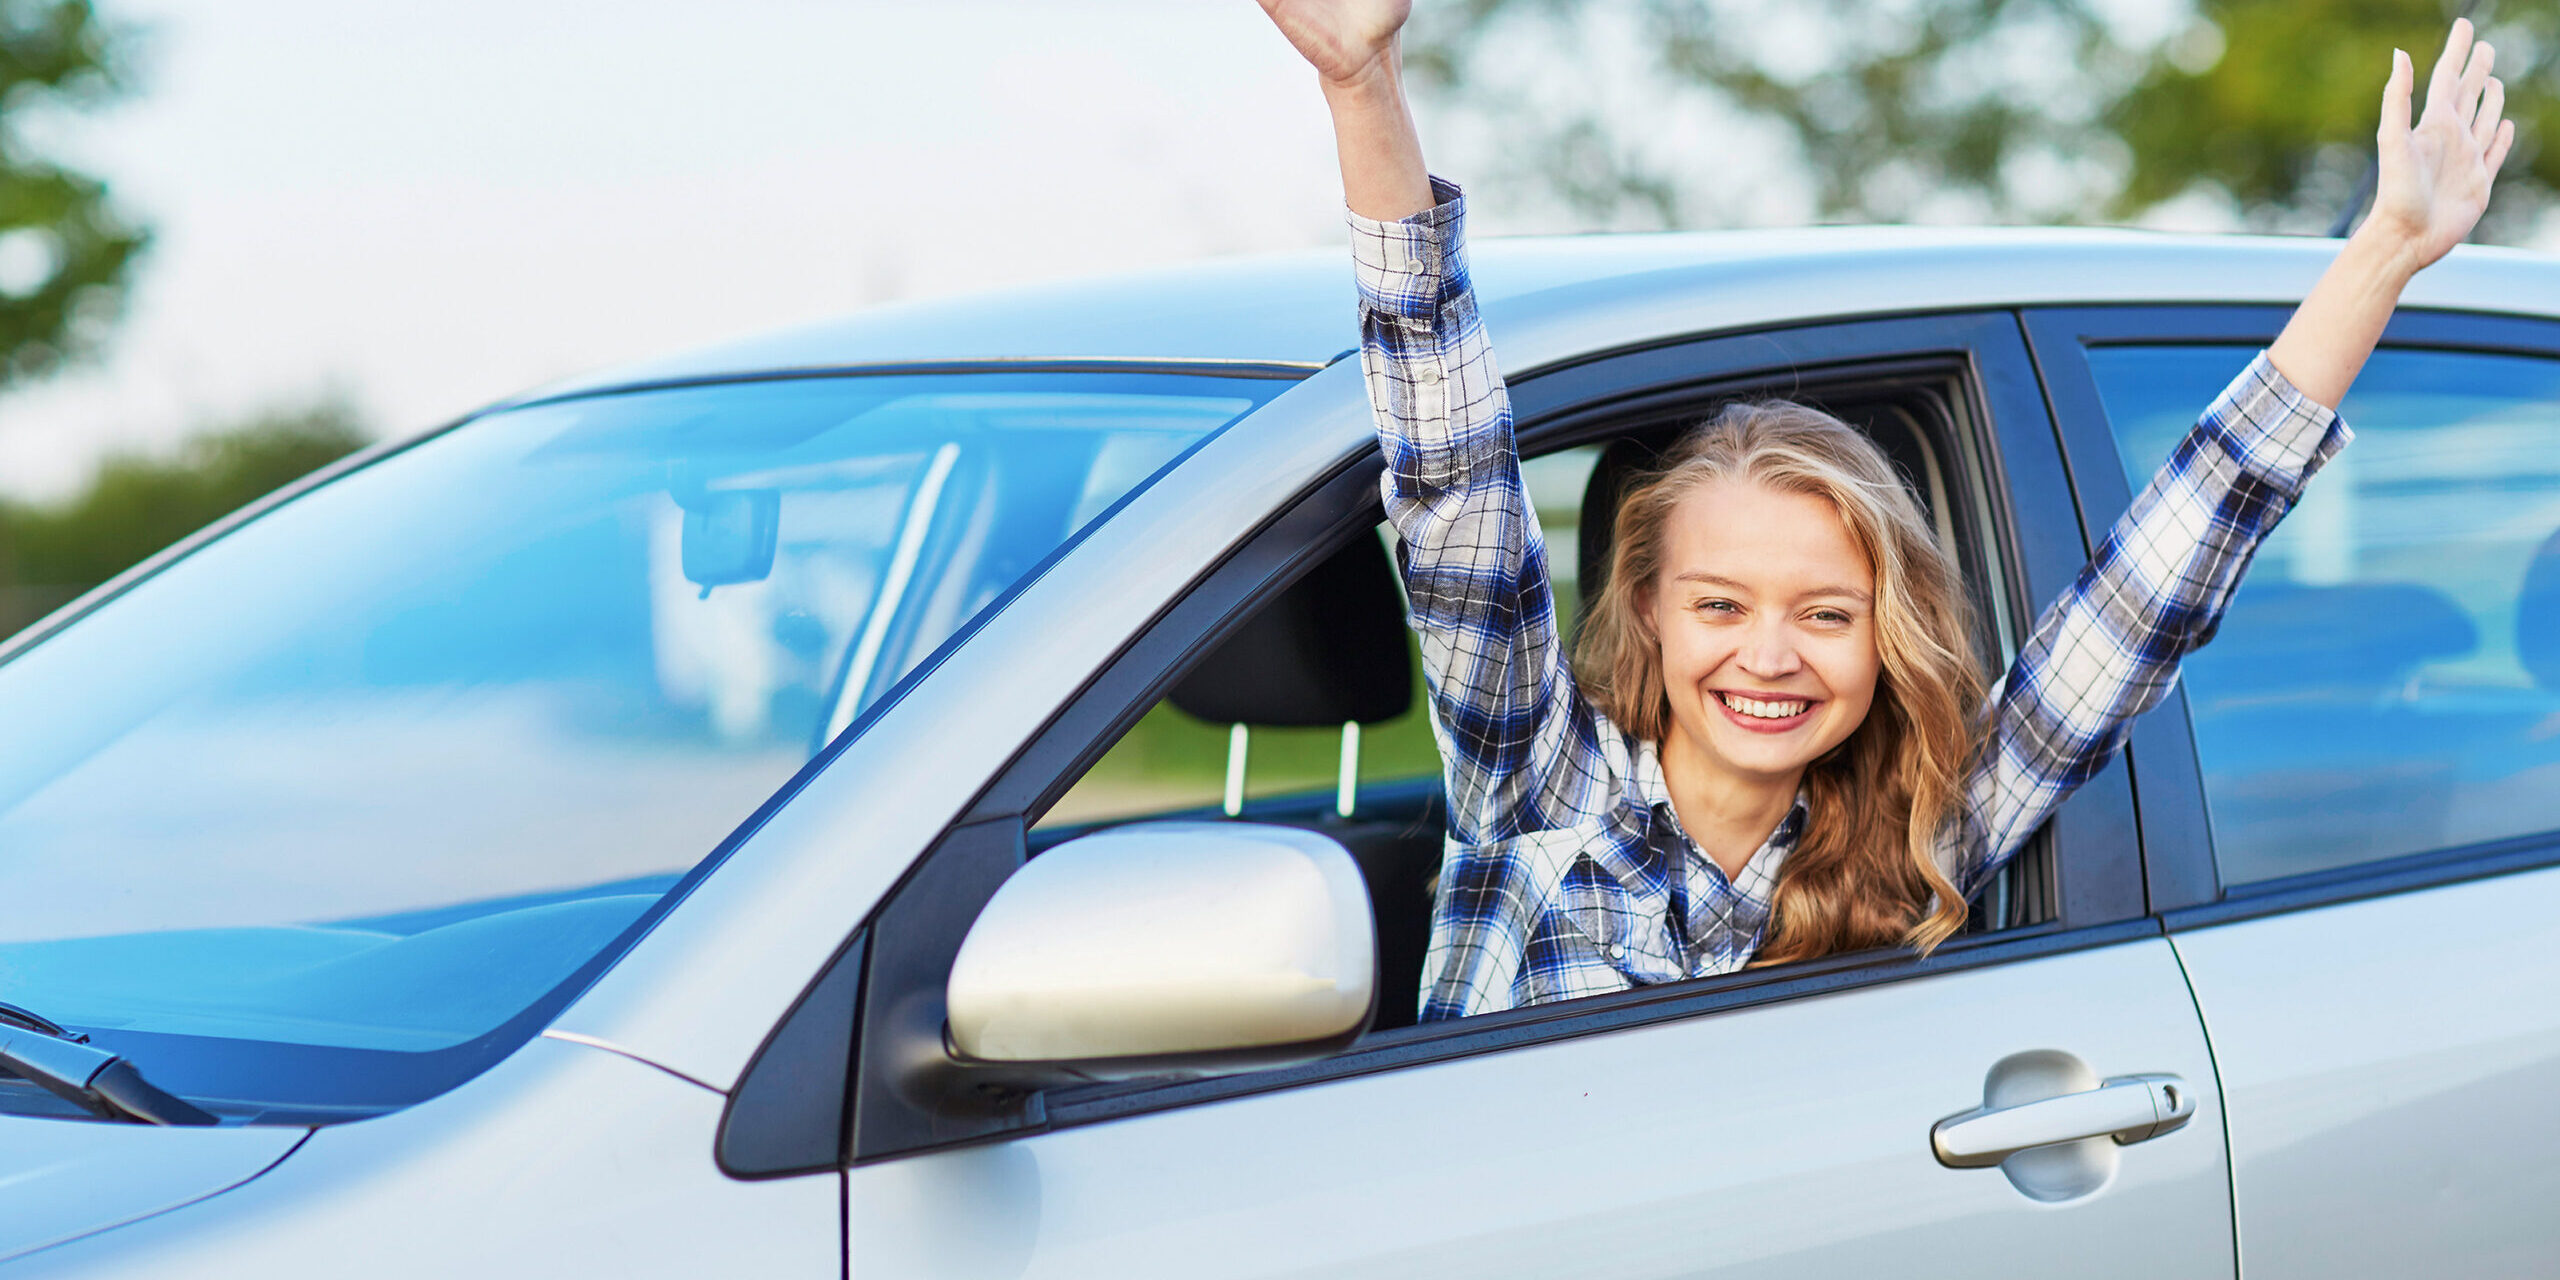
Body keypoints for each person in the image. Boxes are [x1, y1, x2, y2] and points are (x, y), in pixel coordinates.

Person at [1255, 1, 2517, 1020]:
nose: (1767, 653)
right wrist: (1364, 92)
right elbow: (1452, 479)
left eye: (1825, 610)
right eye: (1718, 604)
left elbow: (2155, 590)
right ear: (1643, 610)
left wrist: (2383, 250)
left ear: (1885, 636)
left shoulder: (1916, 830)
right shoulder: (1542, 784)